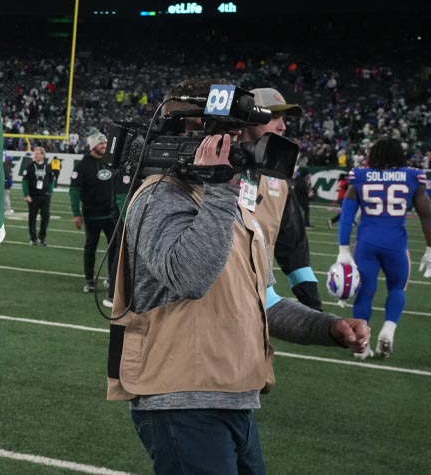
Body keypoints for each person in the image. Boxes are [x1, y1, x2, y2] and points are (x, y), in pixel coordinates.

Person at [107, 79, 371, 475]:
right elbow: (189, 277)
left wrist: (329, 328)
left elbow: (263, 301)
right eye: (226, 132)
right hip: (181, 399)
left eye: (236, 132)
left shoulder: (228, 201)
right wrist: (222, 189)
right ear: (191, 132)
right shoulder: (159, 195)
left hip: (234, 394)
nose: (236, 142)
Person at [337, 137, 431, 359]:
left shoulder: (360, 176)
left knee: (365, 293)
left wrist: (343, 249)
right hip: (396, 245)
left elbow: (347, 215)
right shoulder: (412, 176)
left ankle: (361, 346)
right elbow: (426, 214)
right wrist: (429, 248)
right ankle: (388, 329)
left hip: (366, 244)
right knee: (398, 288)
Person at [242, 87, 321, 311]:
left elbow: (293, 245)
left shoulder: (279, 178)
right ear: (249, 117)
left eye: (283, 117)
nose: (283, 126)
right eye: (273, 116)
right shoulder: (211, 167)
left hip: (255, 302)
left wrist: (312, 303)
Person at [70, 129, 119, 293]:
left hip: (111, 214)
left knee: (114, 248)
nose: (104, 145)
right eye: (101, 143)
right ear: (93, 145)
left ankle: (111, 278)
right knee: (90, 247)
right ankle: (89, 280)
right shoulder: (83, 165)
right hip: (92, 216)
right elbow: (74, 191)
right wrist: (76, 214)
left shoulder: (110, 162)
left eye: (105, 142)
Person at [21, 146, 56, 245]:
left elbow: (51, 180)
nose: (35, 155)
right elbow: (24, 181)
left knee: (46, 216)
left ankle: (42, 237)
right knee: (32, 217)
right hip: (33, 196)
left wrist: (50, 192)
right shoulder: (30, 166)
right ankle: (33, 238)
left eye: (37, 153)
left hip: (45, 196)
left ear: (43, 155)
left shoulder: (48, 166)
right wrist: (26, 194)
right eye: (35, 153)